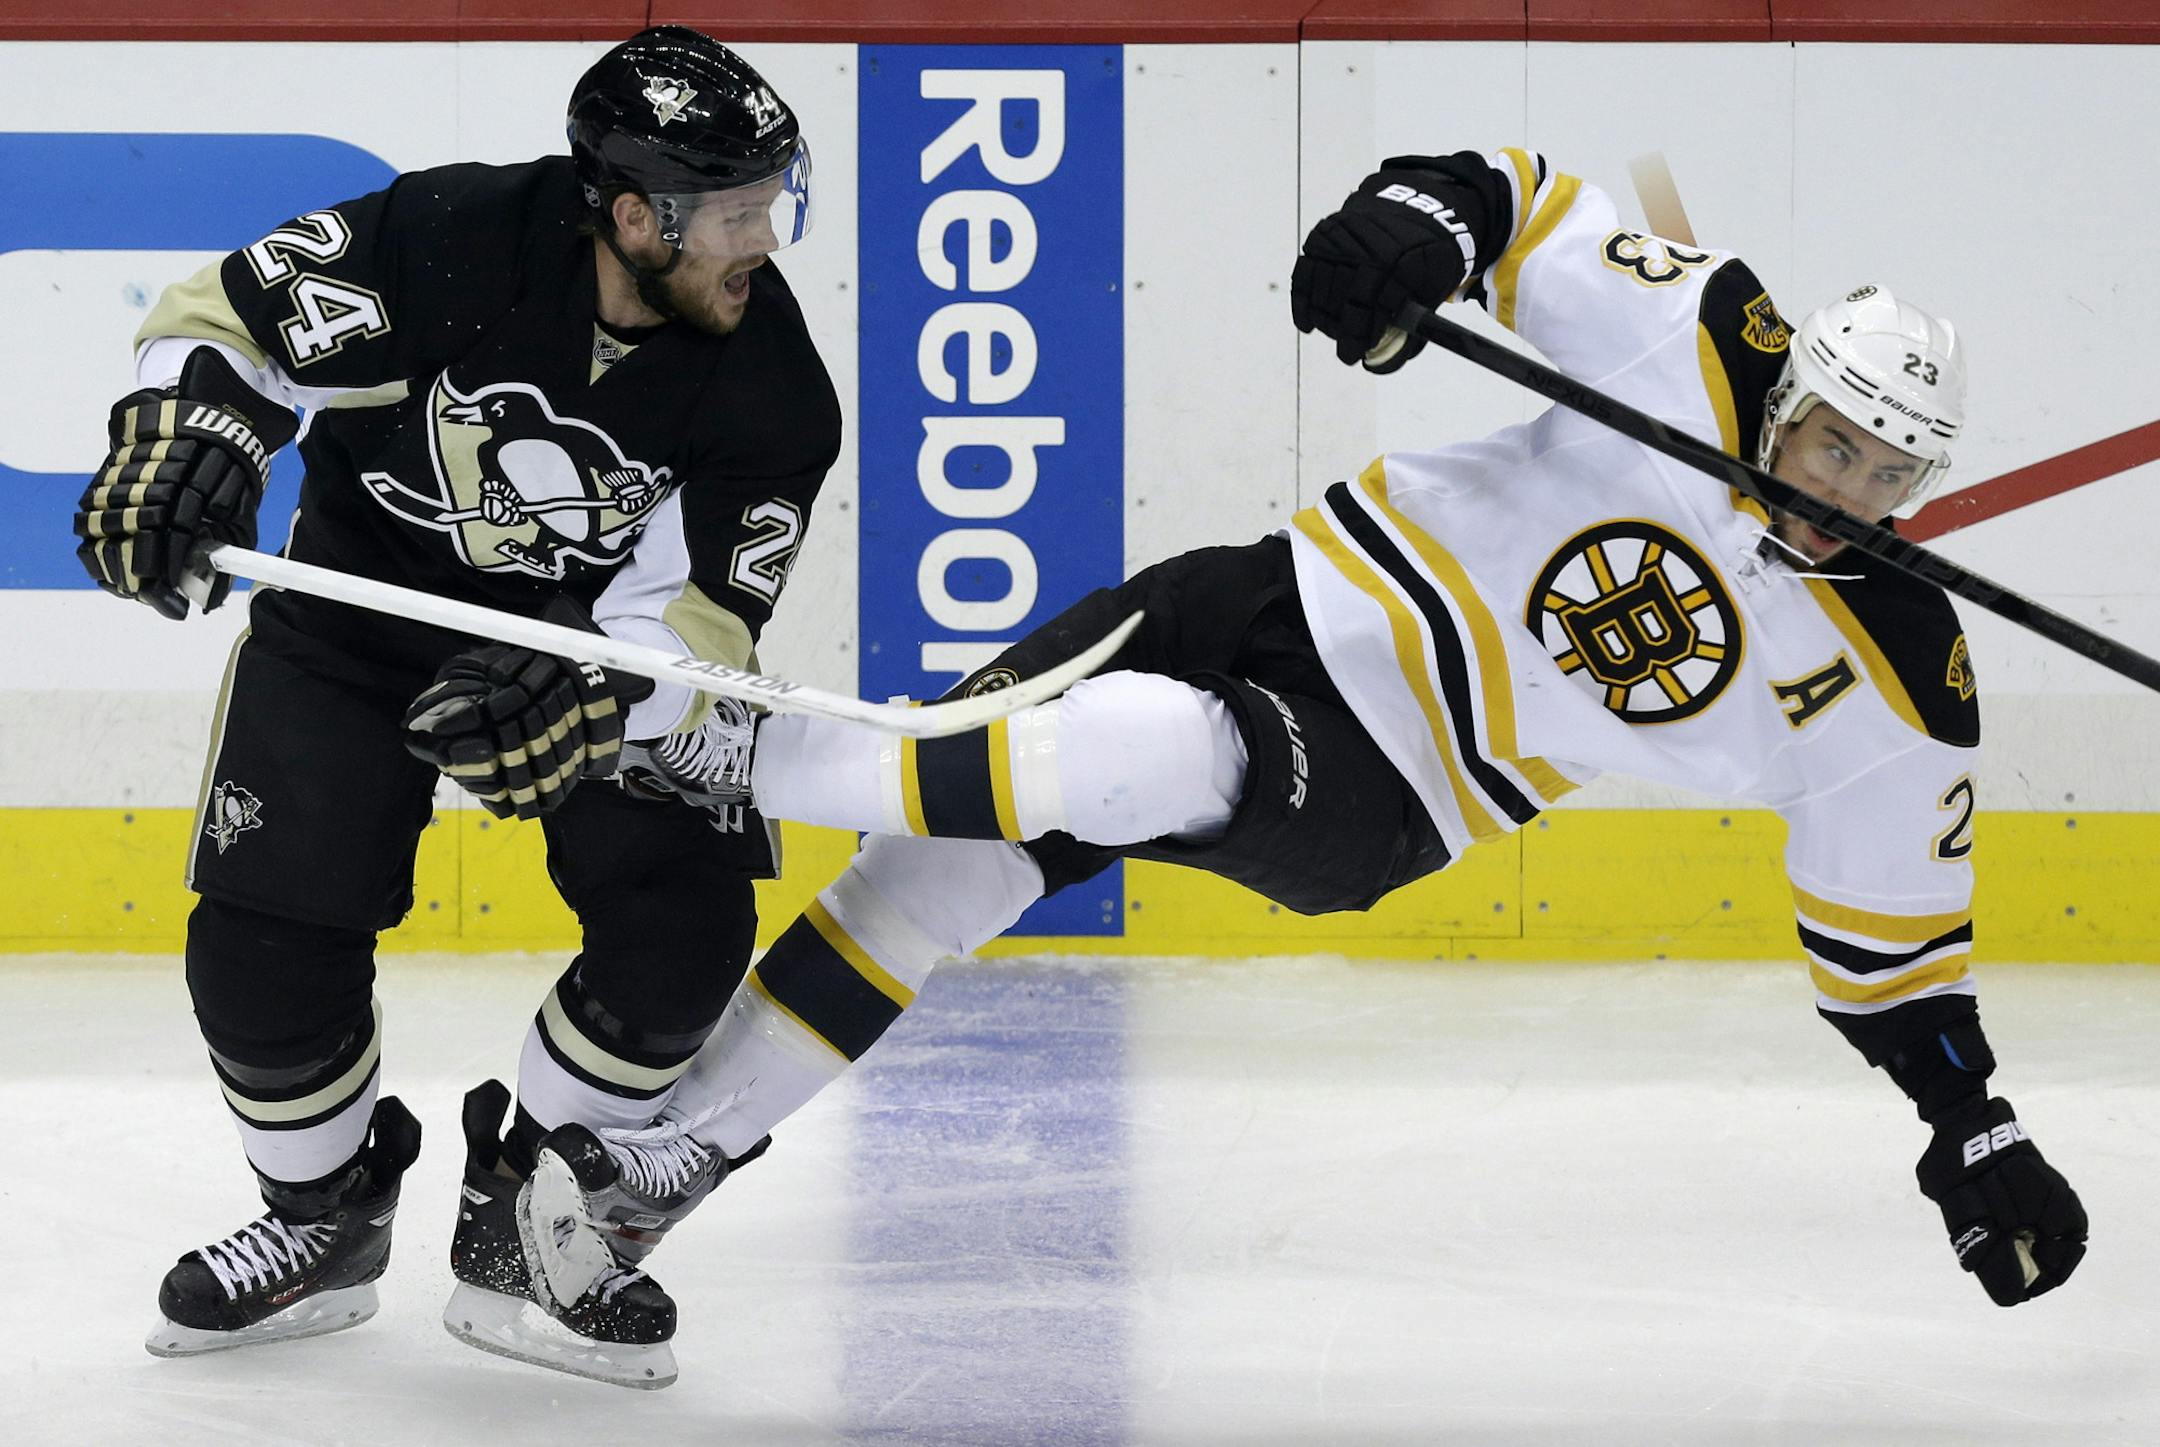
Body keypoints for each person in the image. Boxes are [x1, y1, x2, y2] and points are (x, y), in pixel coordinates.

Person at [515, 146, 2091, 1355]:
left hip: (1399, 784)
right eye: (1832, 440)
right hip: (1268, 594)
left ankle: (730, 757)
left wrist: (1974, 1131)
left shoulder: (1899, 671)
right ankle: (667, 1168)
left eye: (1888, 474)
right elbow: (1512, 203)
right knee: (937, 860)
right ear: (1794, 390)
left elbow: (1897, 946)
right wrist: (1410, 234)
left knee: (1137, 748)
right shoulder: (1705, 330)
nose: (1846, 484)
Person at [76, 26, 840, 1388]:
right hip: (355, 621)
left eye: (771, 200)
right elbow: (226, 320)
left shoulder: (775, 391)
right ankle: (325, 1213)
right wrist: (186, 438)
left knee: (683, 925)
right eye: (733, 209)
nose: (764, 237)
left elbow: (698, 631)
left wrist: (600, 699)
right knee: (257, 940)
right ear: (630, 212)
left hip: (582, 658)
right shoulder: (448, 235)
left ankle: (533, 1226)